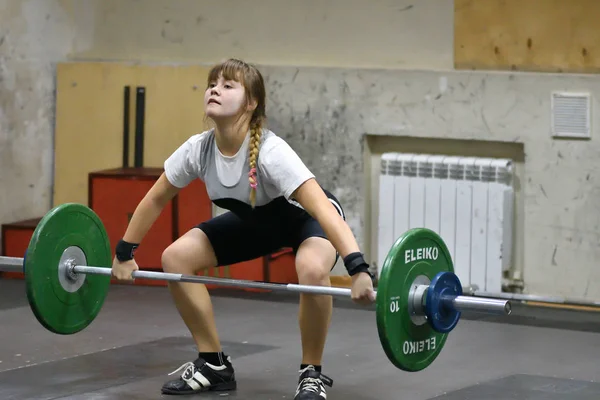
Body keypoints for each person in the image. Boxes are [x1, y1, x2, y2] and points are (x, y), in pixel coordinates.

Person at [111, 58, 376, 399]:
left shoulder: (271, 151)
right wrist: (124, 252)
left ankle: (311, 373)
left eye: (228, 85)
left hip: (305, 221)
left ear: (251, 103)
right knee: (175, 258)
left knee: (310, 270)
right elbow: (155, 200)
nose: (215, 89)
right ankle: (213, 364)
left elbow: (323, 209)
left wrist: (358, 268)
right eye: (212, 84)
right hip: (256, 224)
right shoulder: (199, 149)